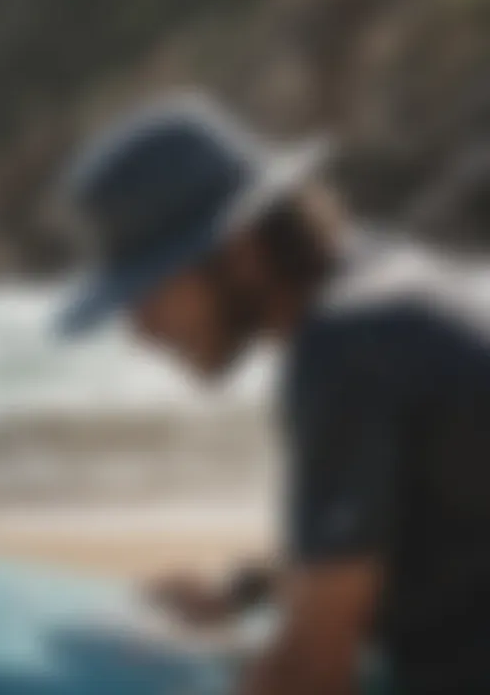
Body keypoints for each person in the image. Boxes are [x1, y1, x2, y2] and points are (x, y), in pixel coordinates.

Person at [55, 93, 490, 694]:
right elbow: (414, 532)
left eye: (148, 289)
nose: (138, 329)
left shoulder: (345, 349)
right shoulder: (382, 286)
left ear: (242, 253)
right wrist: (241, 594)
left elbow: (314, 675)